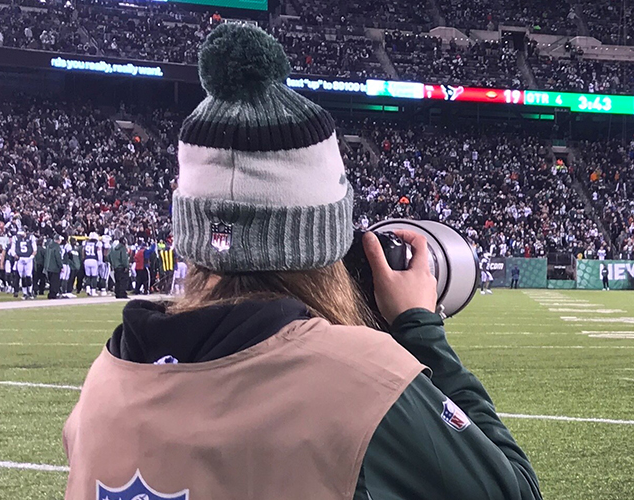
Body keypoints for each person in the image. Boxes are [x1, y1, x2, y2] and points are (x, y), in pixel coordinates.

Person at [62, 25, 539, 500]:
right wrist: (421, 328)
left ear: (190, 229)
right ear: (323, 241)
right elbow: (515, 492)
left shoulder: (108, 377)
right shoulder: (361, 380)